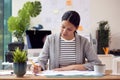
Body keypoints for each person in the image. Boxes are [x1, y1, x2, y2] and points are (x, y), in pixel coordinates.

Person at [31, 10, 101, 73]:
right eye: (63, 27)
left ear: (76, 28)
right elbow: (41, 61)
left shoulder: (84, 42)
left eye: (69, 29)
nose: (64, 32)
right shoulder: (50, 39)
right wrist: (38, 67)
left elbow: (96, 63)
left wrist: (72, 67)